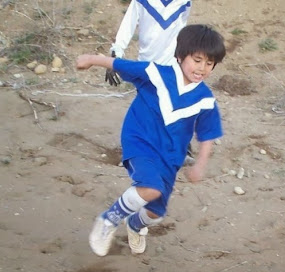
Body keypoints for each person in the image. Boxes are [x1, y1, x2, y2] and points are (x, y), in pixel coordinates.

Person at [76, 24, 226, 257]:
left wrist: (200, 165)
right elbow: (121, 64)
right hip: (140, 141)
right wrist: (90, 59)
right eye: (197, 60)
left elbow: (207, 134)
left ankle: (135, 225)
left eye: (209, 63)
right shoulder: (156, 74)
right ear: (180, 56)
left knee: (156, 212)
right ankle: (109, 220)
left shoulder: (205, 99)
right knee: (150, 187)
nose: (202, 68)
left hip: (170, 158)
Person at [105, 0, 192, 86]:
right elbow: (127, 26)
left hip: (171, 67)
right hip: (145, 66)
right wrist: (116, 54)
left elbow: (182, 27)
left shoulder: (184, 2)